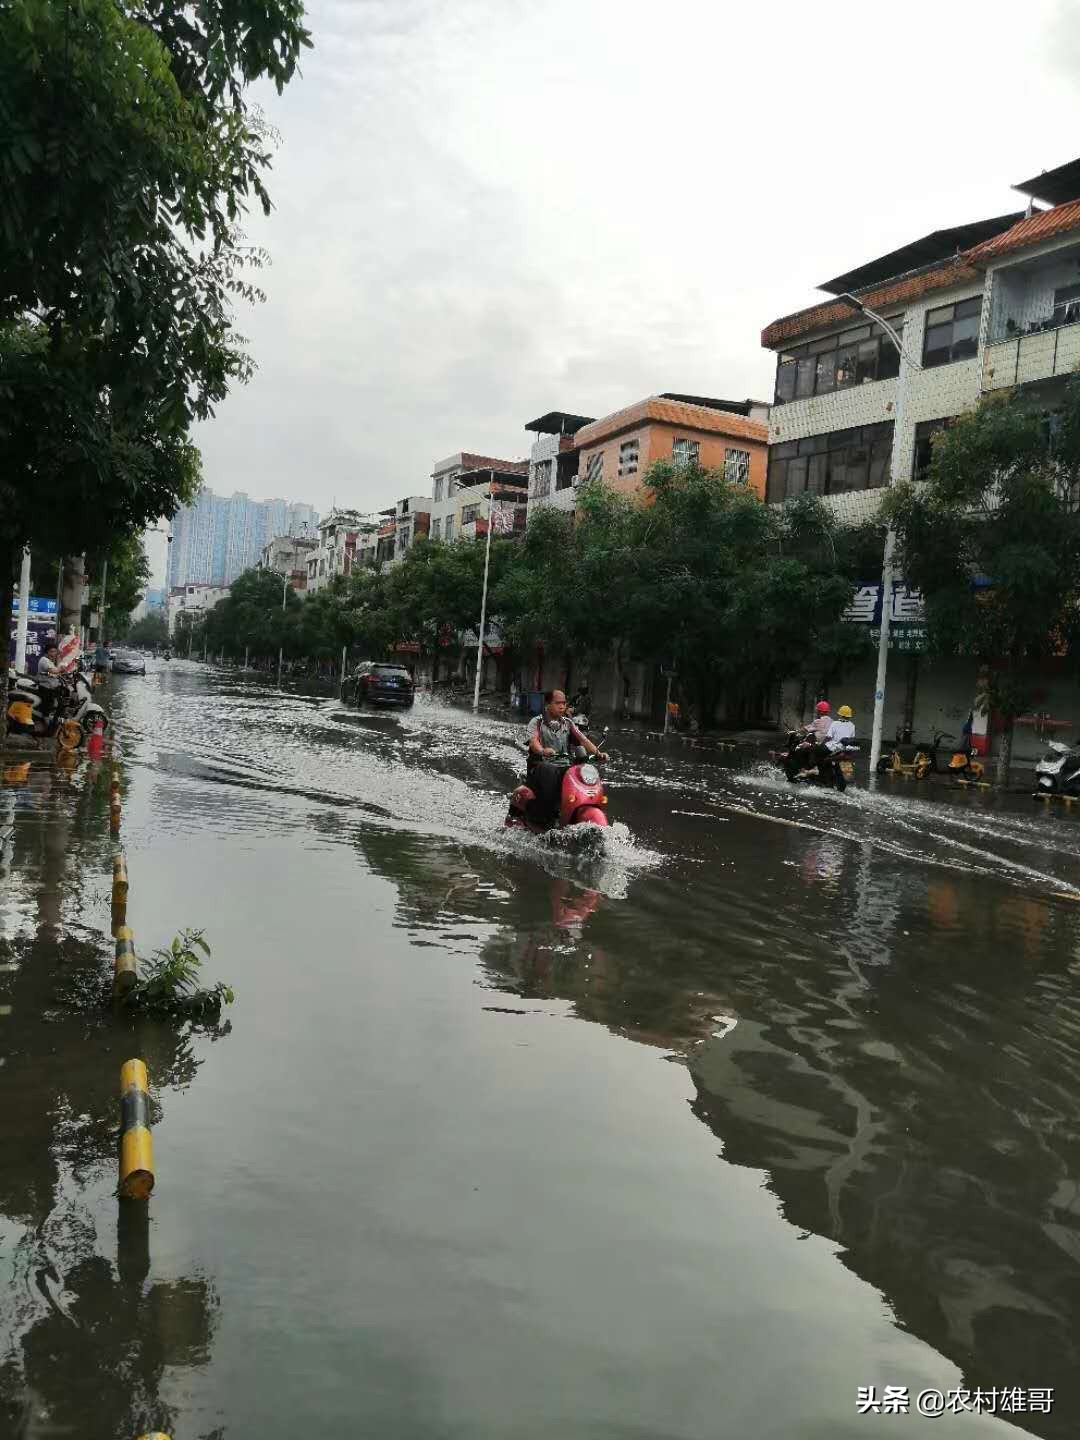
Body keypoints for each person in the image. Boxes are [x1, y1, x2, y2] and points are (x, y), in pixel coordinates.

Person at [524, 689, 608, 822]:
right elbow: (534, 741)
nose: (562, 706)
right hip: (541, 767)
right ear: (548, 704)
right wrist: (542, 751)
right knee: (548, 769)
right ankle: (547, 817)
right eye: (558, 703)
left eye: (564, 703)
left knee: (582, 772)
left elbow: (583, 740)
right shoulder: (537, 722)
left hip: (565, 768)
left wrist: (598, 753)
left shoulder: (568, 723)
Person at [785, 700, 831, 781]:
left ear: (819, 711)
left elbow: (805, 729)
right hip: (829, 747)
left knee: (800, 750)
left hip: (818, 747)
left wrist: (795, 731)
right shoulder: (832, 722)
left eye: (817, 710)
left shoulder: (818, 721)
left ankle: (803, 771)